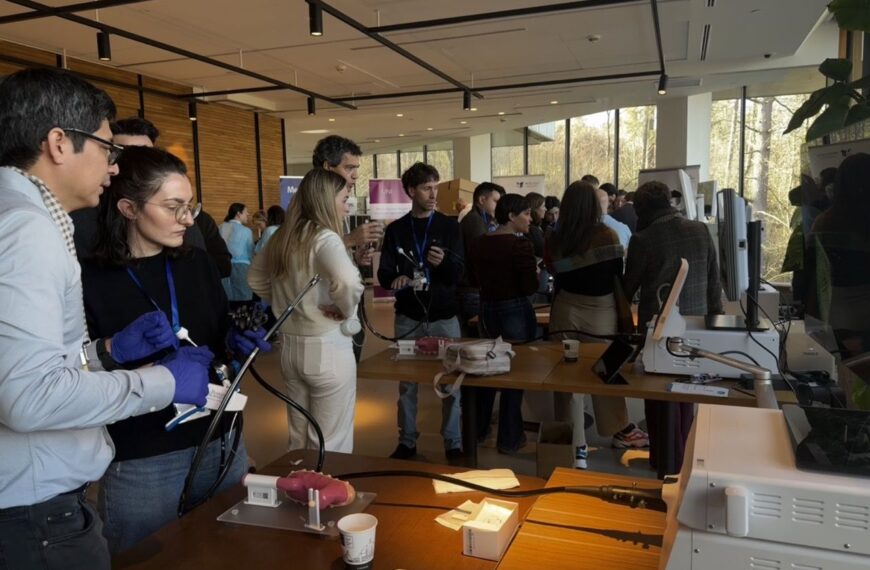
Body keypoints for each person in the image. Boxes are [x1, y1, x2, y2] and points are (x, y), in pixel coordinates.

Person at [0, 67, 209, 569]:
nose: (114, 166)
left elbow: (21, 364)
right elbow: (27, 399)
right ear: (58, 142)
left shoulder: (23, 215)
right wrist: (160, 382)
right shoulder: (26, 229)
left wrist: (104, 353)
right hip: (34, 514)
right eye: (107, 148)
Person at [81, 146, 263, 553]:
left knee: (229, 553)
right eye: (173, 207)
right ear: (129, 208)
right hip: (144, 456)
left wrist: (236, 341)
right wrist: (112, 353)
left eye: (190, 206)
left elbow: (216, 338)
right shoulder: (88, 279)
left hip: (221, 440)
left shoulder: (195, 262)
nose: (187, 219)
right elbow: (76, 373)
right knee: (147, 559)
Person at [249, 169, 364, 452]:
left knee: (299, 441)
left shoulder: (283, 237)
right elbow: (348, 281)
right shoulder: (324, 238)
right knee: (331, 444)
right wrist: (346, 310)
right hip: (328, 348)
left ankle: (299, 494)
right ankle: (327, 496)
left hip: (290, 350)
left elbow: (254, 278)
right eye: (344, 198)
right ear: (326, 201)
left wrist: (287, 306)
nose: (346, 205)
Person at [622, 180, 723, 472]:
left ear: (641, 208)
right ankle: (682, 459)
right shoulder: (700, 230)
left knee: (659, 399)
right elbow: (714, 281)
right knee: (685, 396)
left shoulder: (643, 239)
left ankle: (666, 465)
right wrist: (714, 321)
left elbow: (630, 287)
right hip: (696, 326)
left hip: (659, 330)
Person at [546, 181, 643, 469]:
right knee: (605, 372)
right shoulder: (607, 234)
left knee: (565, 377)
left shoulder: (555, 238)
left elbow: (554, 274)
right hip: (600, 311)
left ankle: (572, 439)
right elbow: (616, 275)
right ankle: (618, 430)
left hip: (563, 309)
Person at [377, 162, 465, 461]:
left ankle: (453, 442)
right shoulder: (397, 231)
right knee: (407, 386)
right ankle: (407, 441)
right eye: (427, 188)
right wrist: (394, 280)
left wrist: (443, 265)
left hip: (444, 317)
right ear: (411, 191)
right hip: (409, 319)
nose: (433, 193)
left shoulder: (449, 227)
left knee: (452, 384)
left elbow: (459, 274)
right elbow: (385, 273)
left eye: (435, 187)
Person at [70, 116, 232, 277]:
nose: (135, 164)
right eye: (123, 154)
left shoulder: (187, 223)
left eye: (146, 155)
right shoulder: (80, 217)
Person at [468, 193, 538, 453]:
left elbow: (473, 279)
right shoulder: (521, 246)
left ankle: (479, 430)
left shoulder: (478, 243)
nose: (531, 219)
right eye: (526, 214)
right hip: (515, 310)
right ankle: (509, 438)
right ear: (510, 216)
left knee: (487, 369)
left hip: (486, 309)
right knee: (514, 375)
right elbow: (530, 286)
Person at [312, 134, 382, 362]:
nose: (355, 176)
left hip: (343, 319)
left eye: (357, 168)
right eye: (349, 167)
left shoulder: (336, 208)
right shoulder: (308, 211)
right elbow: (303, 254)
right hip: (324, 326)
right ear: (326, 167)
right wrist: (349, 241)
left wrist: (353, 256)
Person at [457, 181, 502, 337]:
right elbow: (482, 255)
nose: (498, 206)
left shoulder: (482, 220)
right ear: (482, 200)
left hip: (473, 289)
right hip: (472, 290)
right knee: (475, 338)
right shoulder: (475, 221)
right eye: (495, 201)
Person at [220, 202, 255, 308]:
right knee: (244, 301)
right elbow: (250, 252)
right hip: (242, 268)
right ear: (238, 214)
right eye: (246, 212)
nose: (248, 215)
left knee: (227, 299)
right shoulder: (246, 231)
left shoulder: (221, 227)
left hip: (223, 268)